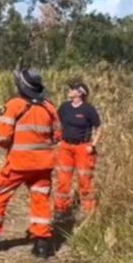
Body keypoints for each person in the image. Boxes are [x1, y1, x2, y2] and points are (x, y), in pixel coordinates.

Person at [0, 69, 60, 259]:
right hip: (44, 164)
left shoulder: (14, 105)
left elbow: (3, 137)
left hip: (19, 163)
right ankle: (42, 243)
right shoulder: (50, 108)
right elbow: (58, 136)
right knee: (40, 199)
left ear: (21, 86)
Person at [54, 81, 102, 217]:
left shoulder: (88, 109)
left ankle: (87, 211)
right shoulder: (64, 107)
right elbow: (56, 123)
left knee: (84, 180)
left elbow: (98, 127)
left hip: (82, 148)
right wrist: (58, 140)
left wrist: (92, 145)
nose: (69, 91)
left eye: (72, 89)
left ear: (80, 93)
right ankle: (60, 209)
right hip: (65, 148)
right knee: (63, 180)